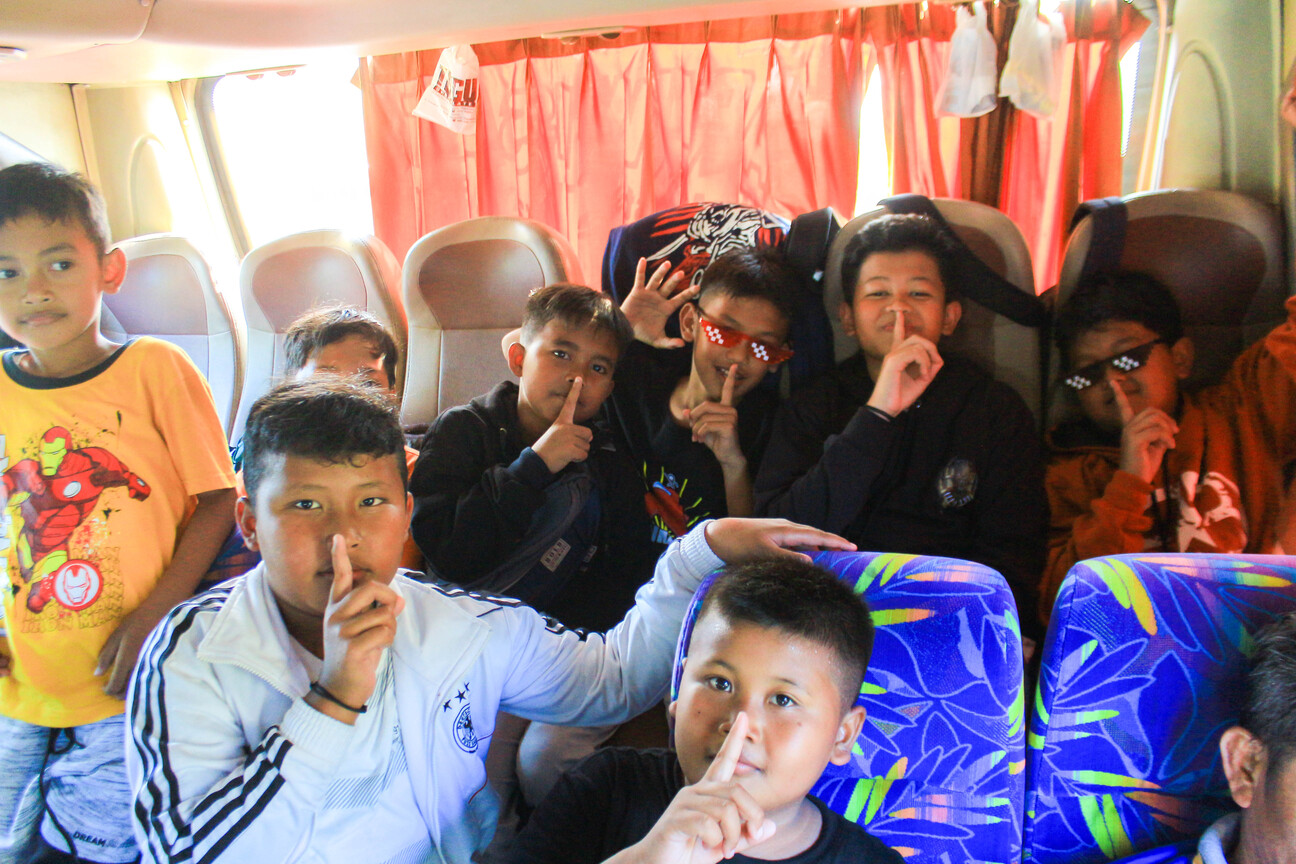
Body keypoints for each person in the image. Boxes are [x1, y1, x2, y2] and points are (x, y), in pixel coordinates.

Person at [126, 377, 851, 864]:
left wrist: (701, 551)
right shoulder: (192, 655)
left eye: (372, 503)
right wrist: (334, 700)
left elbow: (609, 680)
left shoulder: (459, 623)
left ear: (406, 513)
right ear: (249, 523)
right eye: (305, 505)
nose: (343, 537)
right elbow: (187, 853)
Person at [0, 162, 236, 863]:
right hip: (19, 681)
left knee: (100, 849)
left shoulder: (154, 370)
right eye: (6, 272)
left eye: (59, 263)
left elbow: (218, 500)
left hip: (126, 680)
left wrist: (154, 617)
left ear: (109, 270)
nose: (33, 290)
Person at [755, 214, 1046, 642]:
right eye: (878, 293)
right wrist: (878, 414)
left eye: (918, 293)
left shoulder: (994, 410)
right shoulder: (812, 405)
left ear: (950, 317)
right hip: (821, 620)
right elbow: (780, 532)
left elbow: (1015, 548)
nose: (898, 308)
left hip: (951, 623)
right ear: (848, 318)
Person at [502, 557, 905, 864]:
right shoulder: (605, 790)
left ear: (842, 736)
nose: (739, 725)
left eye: (783, 700)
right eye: (719, 683)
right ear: (677, 696)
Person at [1040, 271, 1296, 621]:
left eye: (1128, 358)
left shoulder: (1239, 410)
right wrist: (1129, 484)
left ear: (1180, 359)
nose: (1113, 381)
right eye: (1089, 374)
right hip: (1135, 644)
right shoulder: (1065, 472)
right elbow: (1066, 607)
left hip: (1262, 630)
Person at [410, 282, 660, 630]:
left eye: (598, 369)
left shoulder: (607, 458)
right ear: (519, 359)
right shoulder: (462, 429)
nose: (578, 377)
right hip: (462, 627)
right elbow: (450, 556)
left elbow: (625, 573)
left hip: (562, 640)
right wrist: (534, 467)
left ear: (608, 390)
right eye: (561, 354)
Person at [213, 304, 423, 584]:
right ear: (292, 389)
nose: (345, 394)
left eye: (366, 382)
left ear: (391, 397)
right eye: (326, 378)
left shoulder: (412, 471)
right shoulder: (267, 468)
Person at [607, 247, 799, 542]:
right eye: (724, 332)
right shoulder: (632, 376)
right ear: (689, 323)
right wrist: (615, 336)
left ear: (777, 359)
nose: (739, 356)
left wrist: (733, 464)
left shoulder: (775, 429)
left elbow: (755, 550)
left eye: (762, 347)